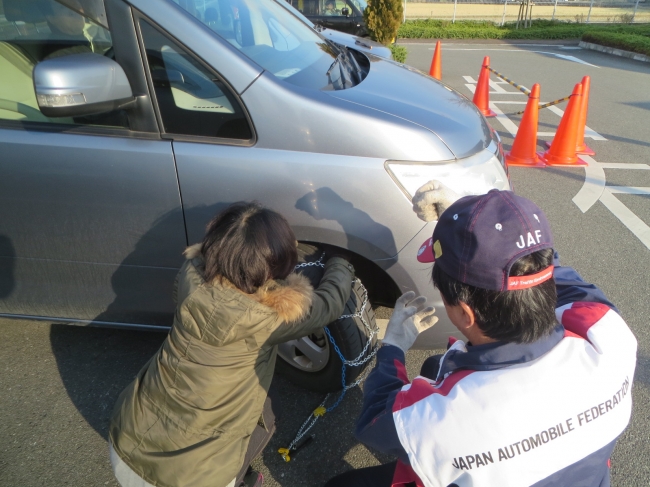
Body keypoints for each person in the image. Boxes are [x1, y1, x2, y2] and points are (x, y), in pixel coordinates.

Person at [325, 182, 637, 487]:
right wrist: (487, 235)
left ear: (464, 312)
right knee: (435, 366)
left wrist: (393, 348)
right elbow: (561, 279)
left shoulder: (442, 419)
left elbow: (376, 419)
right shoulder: (609, 337)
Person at [109, 202, 355, 487]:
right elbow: (329, 304)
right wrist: (341, 261)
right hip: (192, 479)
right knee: (267, 416)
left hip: (127, 437)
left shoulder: (190, 275)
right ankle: (239, 480)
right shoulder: (267, 319)